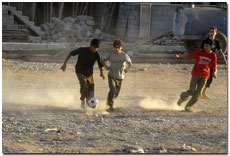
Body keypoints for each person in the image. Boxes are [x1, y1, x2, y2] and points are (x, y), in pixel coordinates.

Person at [174, 38, 217, 112]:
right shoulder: (200, 52)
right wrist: (179, 57)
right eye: (204, 45)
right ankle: (182, 97)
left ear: (211, 46)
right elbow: (189, 56)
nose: (205, 47)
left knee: (198, 94)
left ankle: (188, 107)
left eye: (207, 46)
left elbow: (214, 66)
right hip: (195, 75)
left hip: (204, 77)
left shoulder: (213, 55)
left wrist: (214, 72)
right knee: (191, 91)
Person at [61, 39, 105, 109]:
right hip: (79, 71)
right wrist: (64, 64)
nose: (95, 49)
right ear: (91, 45)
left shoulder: (97, 55)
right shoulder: (82, 50)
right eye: (94, 47)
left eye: (97, 48)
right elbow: (71, 53)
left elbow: (101, 65)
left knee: (91, 89)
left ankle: (89, 103)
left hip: (89, 73)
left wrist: (102, 73)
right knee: (84, 85)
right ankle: (82, 100)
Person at [103, 40, 132, 112]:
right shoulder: (111, 54)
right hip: (111, 75)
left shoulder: (124, 55)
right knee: (112, 90)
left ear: (121, 47)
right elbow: (103, 60)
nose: (117, 49)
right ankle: (110, 106)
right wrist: (106, 66)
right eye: (115, 47)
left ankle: (108, 101)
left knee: (116, 93)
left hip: (120, 77)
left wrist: (127, 69)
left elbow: (130, 63)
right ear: (114, 47)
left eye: (118, 47)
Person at [200, 26, 227, 99]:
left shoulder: (216, 42)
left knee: (210, 78)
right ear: (209, 33)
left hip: (212, 62)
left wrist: (225, 60)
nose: (211, 33)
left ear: (216, 33)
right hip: (204, 62)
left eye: (213, 32)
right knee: (203, 77)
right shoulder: (205, 41)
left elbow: (220, 51)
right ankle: (199, 92)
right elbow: (200, 51)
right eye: (210, 32)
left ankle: (203, 93)